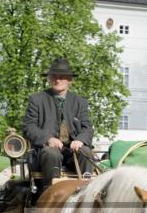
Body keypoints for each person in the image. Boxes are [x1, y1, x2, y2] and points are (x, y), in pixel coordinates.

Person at [23, 57, 94, 188]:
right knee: (51, 153)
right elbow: (29, 127)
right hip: (45, 153)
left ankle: (86, 190)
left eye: (62, 77)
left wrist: (80, 140)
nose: (58, 80)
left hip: (72, 152)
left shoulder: (80, 102)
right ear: (49, 78)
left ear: (70, 80)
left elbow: (87, 127)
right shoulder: (37, 100)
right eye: (54, 76)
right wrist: (48, 139)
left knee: (86, 152)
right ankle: (48, 191)